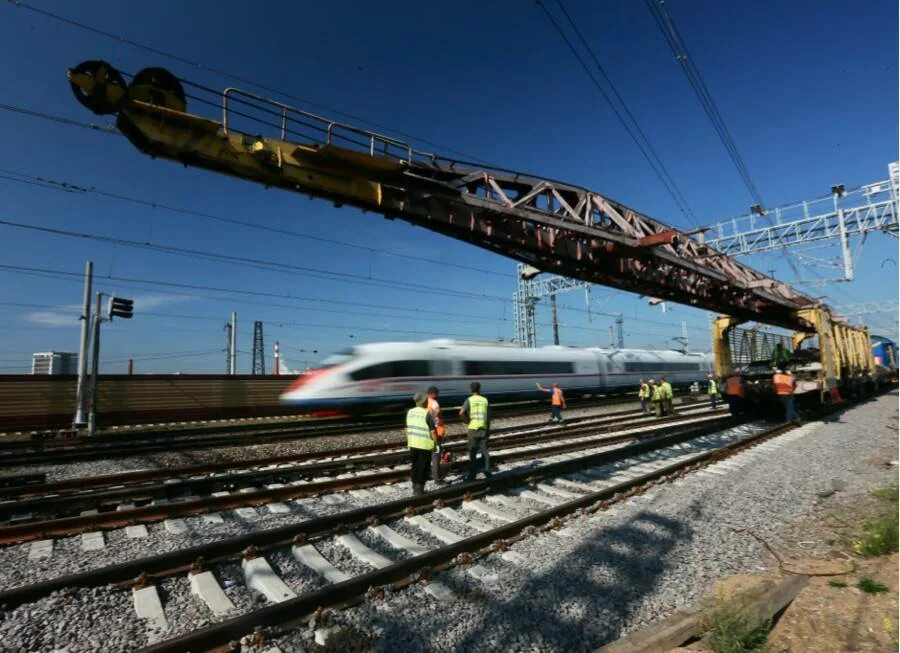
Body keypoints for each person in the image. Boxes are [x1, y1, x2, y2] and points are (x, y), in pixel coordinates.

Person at [459, 382, 491, 481]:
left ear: (471, 390)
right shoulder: (485, 400)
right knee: (485, 451)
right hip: (483, 428)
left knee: (473, 452)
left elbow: (461, 413)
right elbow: (489, 416)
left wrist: (467, 421)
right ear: (479, 389)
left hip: (473, 429)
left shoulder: (469, 400)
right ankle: (487, 472)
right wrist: (488, 429)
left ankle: (472, 475)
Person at [406, 392, 436, 495]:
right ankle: (419, 491)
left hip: (413, 444)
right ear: (424, 402)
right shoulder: (427, 414)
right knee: (423, 468)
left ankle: (415, 487)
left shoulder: (410, 412)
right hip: (424, 445)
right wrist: (435, 444)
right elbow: (433, 432)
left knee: (415, 466)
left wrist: (409, 441)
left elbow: (407, 428)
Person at [426, 386, 447, 483]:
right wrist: (434, 416)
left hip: (426, 431)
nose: (438, 395)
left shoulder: (425, 402)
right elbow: (437, 411)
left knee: (428, 454)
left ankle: (427, 474)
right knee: (436, 455)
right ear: (433, 394)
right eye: (437, 393)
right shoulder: (434, 402)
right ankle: (437, 479)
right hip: (436, 431)